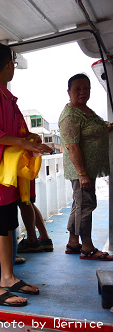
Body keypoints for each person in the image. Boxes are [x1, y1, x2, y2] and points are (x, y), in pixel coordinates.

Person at [0, 43, 53, 307]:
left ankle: (7, 278)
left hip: (7, 176)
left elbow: (14, 134)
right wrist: (23, 143)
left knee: (8, 227)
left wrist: (31, 139)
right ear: (9, 64)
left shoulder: (6, 97)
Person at [58, 73, 113, 261]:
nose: (82, 92)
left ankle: (73, 243)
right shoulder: (70, 116)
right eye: (77, 89)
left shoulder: (85, 110)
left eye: (86, 88)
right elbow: (72, 146)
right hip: (81, 170)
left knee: (79, 204)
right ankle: (87, 248)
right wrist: (82, 174)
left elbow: (94, 127)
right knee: (86, 205)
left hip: (88, 169)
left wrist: (107, 126)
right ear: (69, 92)